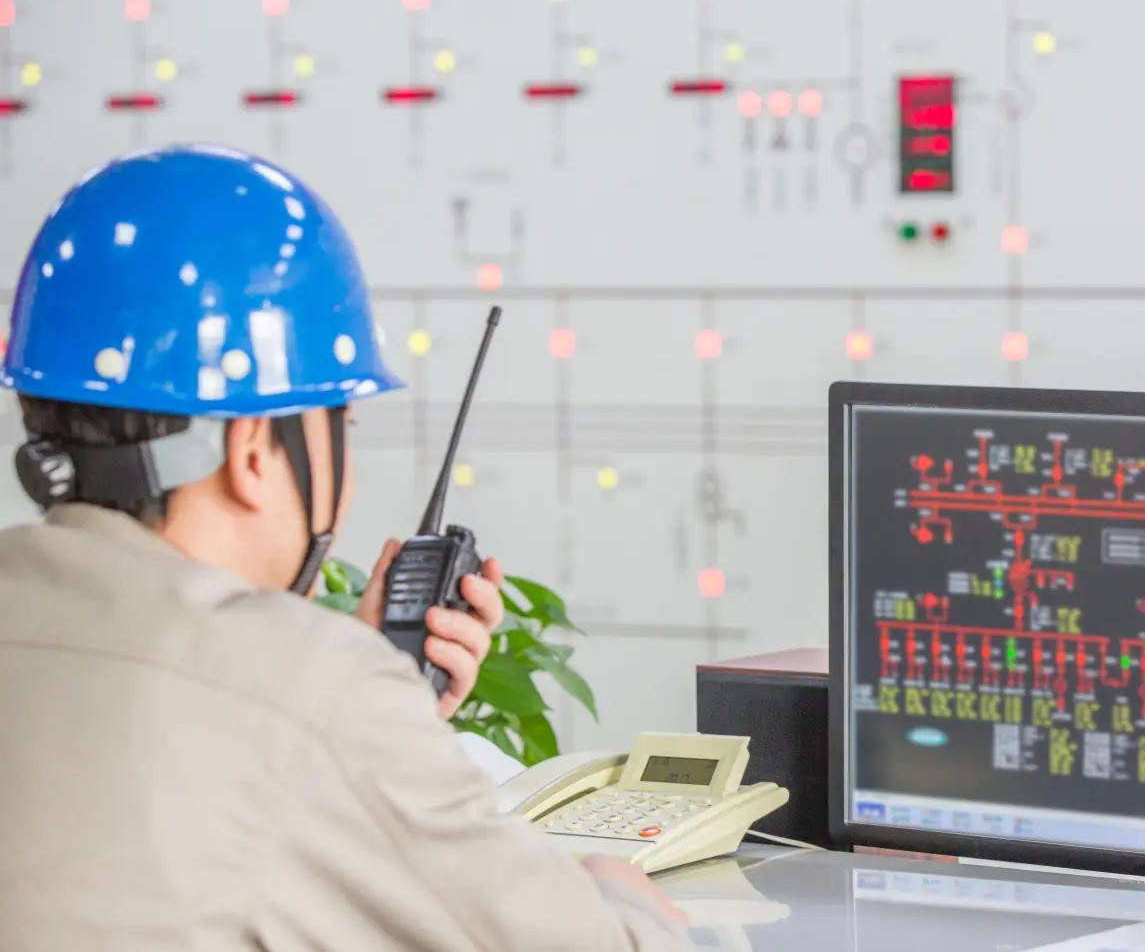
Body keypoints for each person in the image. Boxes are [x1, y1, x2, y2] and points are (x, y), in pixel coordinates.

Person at [0, 145, 692, 950]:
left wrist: (371, 714)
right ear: (256, 450)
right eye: (343, 424)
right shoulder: (307, 692)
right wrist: (616, 891)